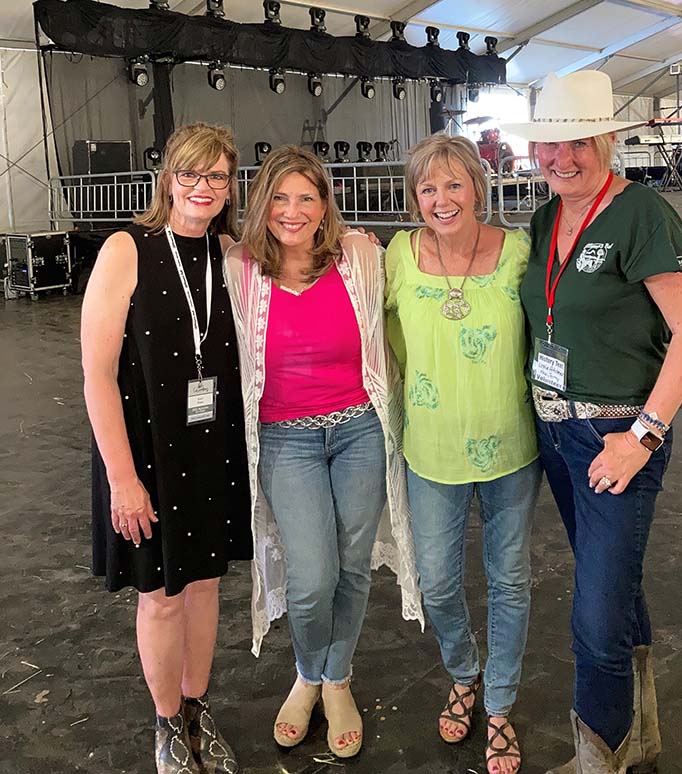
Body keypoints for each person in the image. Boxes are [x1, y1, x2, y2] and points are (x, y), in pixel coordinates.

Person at [503, 70, 682, 773]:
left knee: (595, 617)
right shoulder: (545, 218)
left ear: (607, 142)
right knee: (615, 588)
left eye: (578, 143)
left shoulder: (642, 213)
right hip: (556, 433)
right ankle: (637, 741)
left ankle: (598, 759)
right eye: (550, 144)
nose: (561, 158)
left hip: (616, 435)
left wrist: (644, 437)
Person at [224, 145, 423, 759]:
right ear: (262, 204)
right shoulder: (239, 268)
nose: (293, 211)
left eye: (306, 197)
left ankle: (335, 680)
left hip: (360, 430)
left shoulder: (360, 255)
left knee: (353, 566)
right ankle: (308, 673)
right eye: (280, 198)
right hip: (286, 438)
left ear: (324, 204)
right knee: (312, 578)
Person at [82, 122, 251, 774]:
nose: (202, 187)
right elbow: (97, 375)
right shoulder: (127, 249)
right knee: (161, 594)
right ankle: (166, 722)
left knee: (205, 585)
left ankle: (196, 705)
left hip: (211, 445)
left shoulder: (227, 252)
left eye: (217, 176)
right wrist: (122, 479)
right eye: (191, 173)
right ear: (169, 179)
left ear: (229, 186)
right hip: (146, 450)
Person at [385, 134, 542, 774]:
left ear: (479, 186)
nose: (442, 199)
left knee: (510, 580)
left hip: (512, 448)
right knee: (437, 580)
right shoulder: (398, 254)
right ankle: (463, 670)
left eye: (454, 184)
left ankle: (499, 704)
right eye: (428, 188)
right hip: (430, 450)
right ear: (414, 197)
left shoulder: (519, 253)